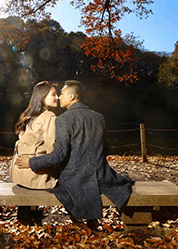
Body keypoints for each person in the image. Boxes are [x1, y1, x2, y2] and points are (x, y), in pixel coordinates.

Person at [16, 80, 133, 229]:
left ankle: (78, 219)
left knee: (53, 183)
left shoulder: (63, 120)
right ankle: (90, 220)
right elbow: (106, 149)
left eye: (62, 94)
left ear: (71, 96)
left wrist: (31, 162)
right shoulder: (99, 117)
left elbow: (59, 155)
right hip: (102, 176)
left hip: (76, 179)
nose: (59, 97)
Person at [10, 81, 62, 224]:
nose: (57, 97)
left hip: (19, 173)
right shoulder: (49, 117)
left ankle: (26, 218)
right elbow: (53, 150)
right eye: (53, 94)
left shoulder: (28, 116)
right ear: (42, 97)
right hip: (35, 175)